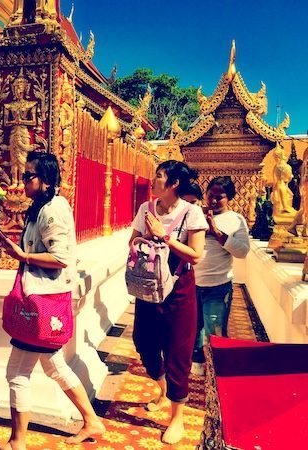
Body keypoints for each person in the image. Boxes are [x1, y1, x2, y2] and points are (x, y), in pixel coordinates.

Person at [0, 151, 105, 450]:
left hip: (42, 301)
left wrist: (24, 256)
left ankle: (17, 441)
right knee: (54, 366)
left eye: (28, 176)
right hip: (44, 298)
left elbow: (61, 257)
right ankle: (91, 419)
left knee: (17, 372)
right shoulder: (43, 207)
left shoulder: (52, 210)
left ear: (45, 180)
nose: (23, 181)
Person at [129, 160, 208, 445]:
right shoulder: (145, 209)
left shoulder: (192, 213)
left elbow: (196, 255)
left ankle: (177, 416)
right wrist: (148, 237)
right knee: (144, 342)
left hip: (180, 291)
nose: (153, 180)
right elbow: (132, 242)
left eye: (159, 176)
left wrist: (165, 238)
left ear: (174, 184)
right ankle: (162, 388)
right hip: (149, 287)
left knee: (177, 354)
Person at [192, 176, 250, 373]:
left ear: (230, 198)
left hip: (218, 285)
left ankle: (218, 368)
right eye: (211, 195)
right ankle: (197, 359)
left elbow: (243, 251)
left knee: (214, 329)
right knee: (193, 327)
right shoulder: (195, 214)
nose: (214, 200)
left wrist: (218, 235)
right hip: (191, 283)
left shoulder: (236, 220)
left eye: (220, 197)